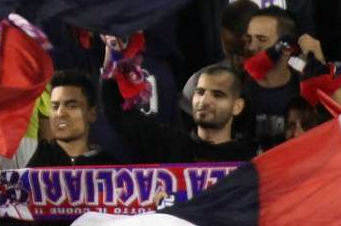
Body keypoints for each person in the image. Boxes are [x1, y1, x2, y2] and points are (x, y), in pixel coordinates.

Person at [108, 63, 258, 163]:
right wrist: (114, 61)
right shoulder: (167, 144)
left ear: (237, 106)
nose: (204, 101)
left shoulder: (249, 157)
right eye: (200, 92)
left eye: (218, 95)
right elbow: (117, 112)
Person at [28, 72, 119, 166]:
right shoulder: (39, 160)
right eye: (55, 106)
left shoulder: (109, 166)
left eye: (71, 106)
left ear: (91, 113)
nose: (60, 113)